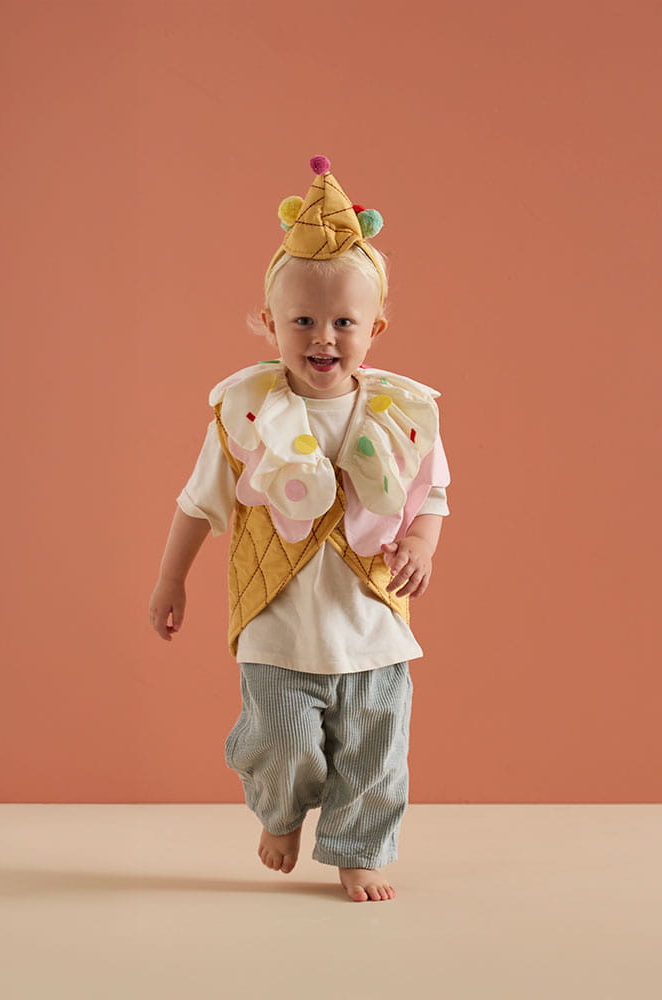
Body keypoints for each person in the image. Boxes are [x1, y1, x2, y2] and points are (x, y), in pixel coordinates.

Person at [149, 155, 450, 902]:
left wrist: (419, 542)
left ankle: (357, 849)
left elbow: (432, 494)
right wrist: (170, 578)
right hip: (277, 629)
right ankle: (280, 812)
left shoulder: (403, 415)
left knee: (375, 752)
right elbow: (198, 503)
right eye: (303, 321)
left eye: (344, 322)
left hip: (372, 627)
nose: (324, 337)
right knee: (281, 743)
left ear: (375, 328)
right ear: (269, 322)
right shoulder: (248, 415)